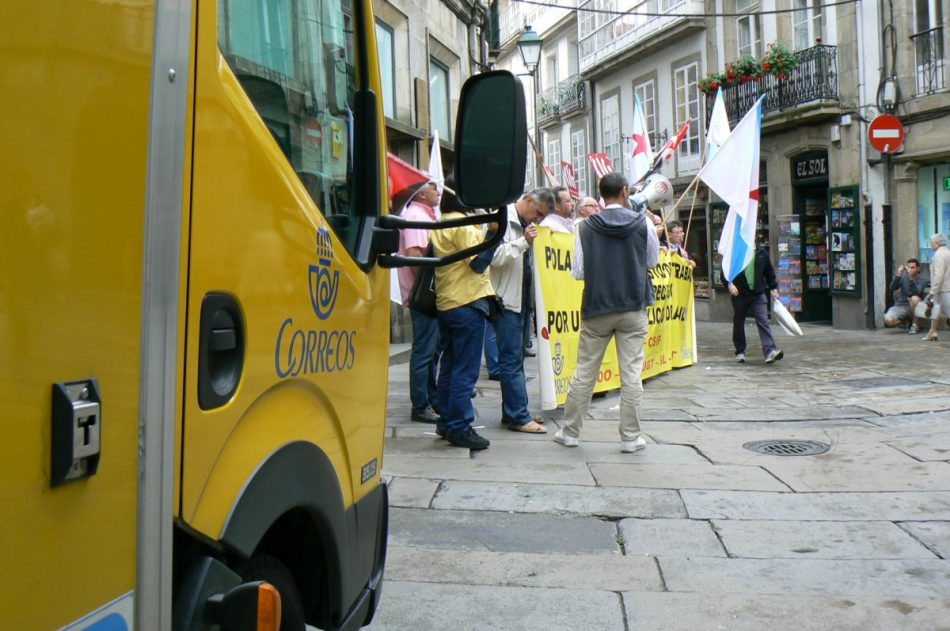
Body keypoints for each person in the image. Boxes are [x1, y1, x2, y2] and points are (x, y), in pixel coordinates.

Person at [553, 172, 660, 453]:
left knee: (585, 372)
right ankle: (630, 437)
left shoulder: (585, 227)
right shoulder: (644, 223)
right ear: (625, 192)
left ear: (601, 194)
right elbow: (652, 261)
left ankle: (570, 432)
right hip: (632, 306)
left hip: (597, 306)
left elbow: (578, 272)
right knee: (631, 374)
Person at [429, 189, 498, 449]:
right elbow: (478, 264)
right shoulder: (464, 226)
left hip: (447, 302)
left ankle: (446, 421)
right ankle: (459, 425)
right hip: (467, 301)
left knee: (449, 365)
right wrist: (492, 234)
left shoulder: (441, 222)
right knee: (464, 370)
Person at [488, 189, 553, 434]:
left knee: (516, 358)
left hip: (522, 300)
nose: (538, 219)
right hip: (506, 300)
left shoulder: (525, 224)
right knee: (511, 360)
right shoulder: (502, 218)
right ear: (527, 201)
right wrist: (523, 241)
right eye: (537, 213)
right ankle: (517, 414)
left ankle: (515, 409)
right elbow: (494, 257)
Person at [397, 182, 441, 423]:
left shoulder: (422, 214)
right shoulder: (415, 215)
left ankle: (430, 400)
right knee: (424, 352)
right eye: (434, 188)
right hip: (423, 294)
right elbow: (415, 256)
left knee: (430, 351)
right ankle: (421, 405)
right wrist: (425, 289)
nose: (439, 192)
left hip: (424, 293)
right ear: (422, 194)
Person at [722, 241, 784, 364]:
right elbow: (724, 271)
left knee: (763, 321)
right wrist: (729, 284)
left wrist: (774, 288)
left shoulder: (761, 253)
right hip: (740, 293)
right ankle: (740, 351)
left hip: (758, 293)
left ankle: (770, 351)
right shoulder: (736, 252)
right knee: (739, 322)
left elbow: (769, 272)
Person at [883, 258, 926, 333]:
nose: (910, 269)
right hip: (901, 305)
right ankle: (904, 322)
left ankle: (915, 325)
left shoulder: (922, 279)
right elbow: (892, 288)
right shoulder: (904, 277)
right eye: (908, 267)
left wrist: (911, 280)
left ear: (917, 268)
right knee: (888, 321)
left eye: (913, 267)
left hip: (915, 306)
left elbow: (917, 292)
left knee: (914, 298)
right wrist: (899, 274)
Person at [923, 233, 950, 342]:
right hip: (945, 288)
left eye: (932, 242)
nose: (931, 245)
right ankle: (932, 332)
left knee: (941, 310)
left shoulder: (939, 255)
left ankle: (932, 332)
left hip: (943, 289)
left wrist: (933, 291)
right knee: (936, 311)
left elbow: (939, 274)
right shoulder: (948, 252)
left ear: (937, 243)